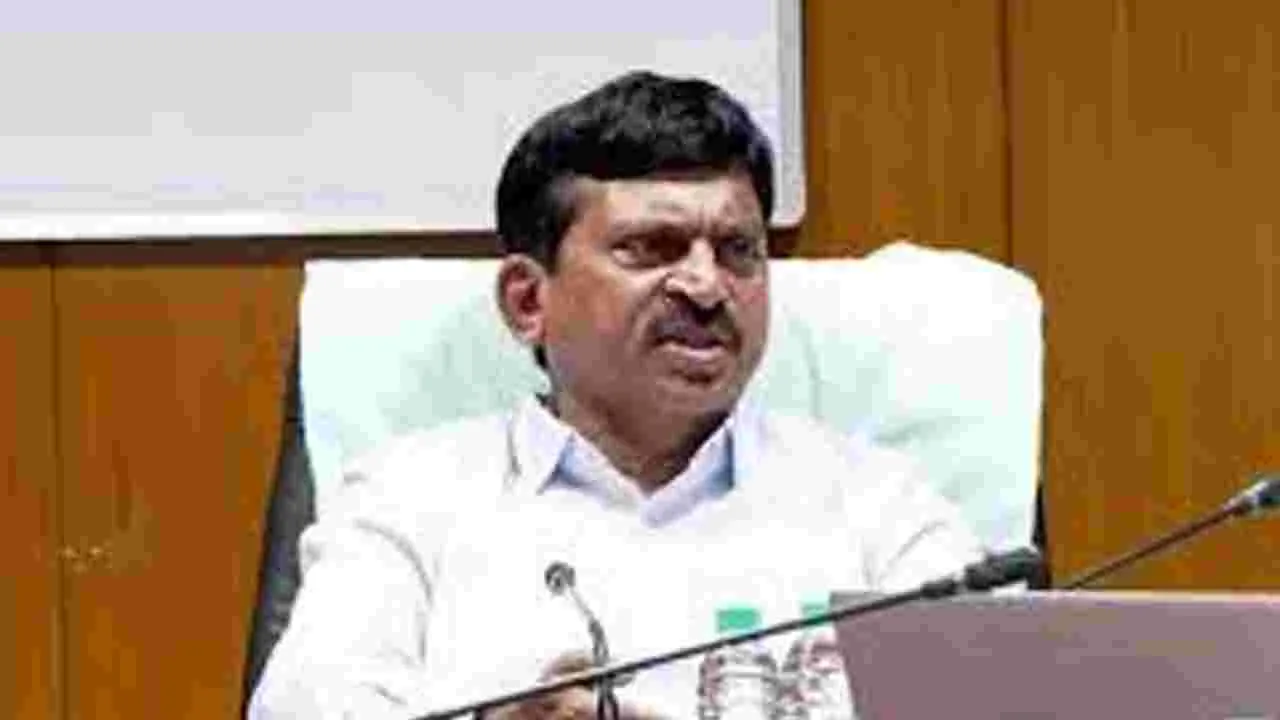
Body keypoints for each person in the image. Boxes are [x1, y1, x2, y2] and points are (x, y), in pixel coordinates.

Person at [249, 71, 982, 719]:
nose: (706, 286)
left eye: (738, 252)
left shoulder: (879, 508)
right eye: (650, 249)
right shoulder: (408, 499)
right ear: (528, 300)